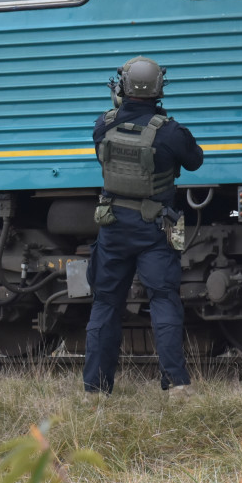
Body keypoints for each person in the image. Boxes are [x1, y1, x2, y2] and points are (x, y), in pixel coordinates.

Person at [83, 56, 204, 397]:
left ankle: (95, 388)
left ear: (121, 86)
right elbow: (195, 162)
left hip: (113, 226)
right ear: (160, 88)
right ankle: (176, 385)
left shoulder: (102, 125)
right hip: (155, 227)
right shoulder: (170, 133)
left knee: (105, 302)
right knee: (164, 299)